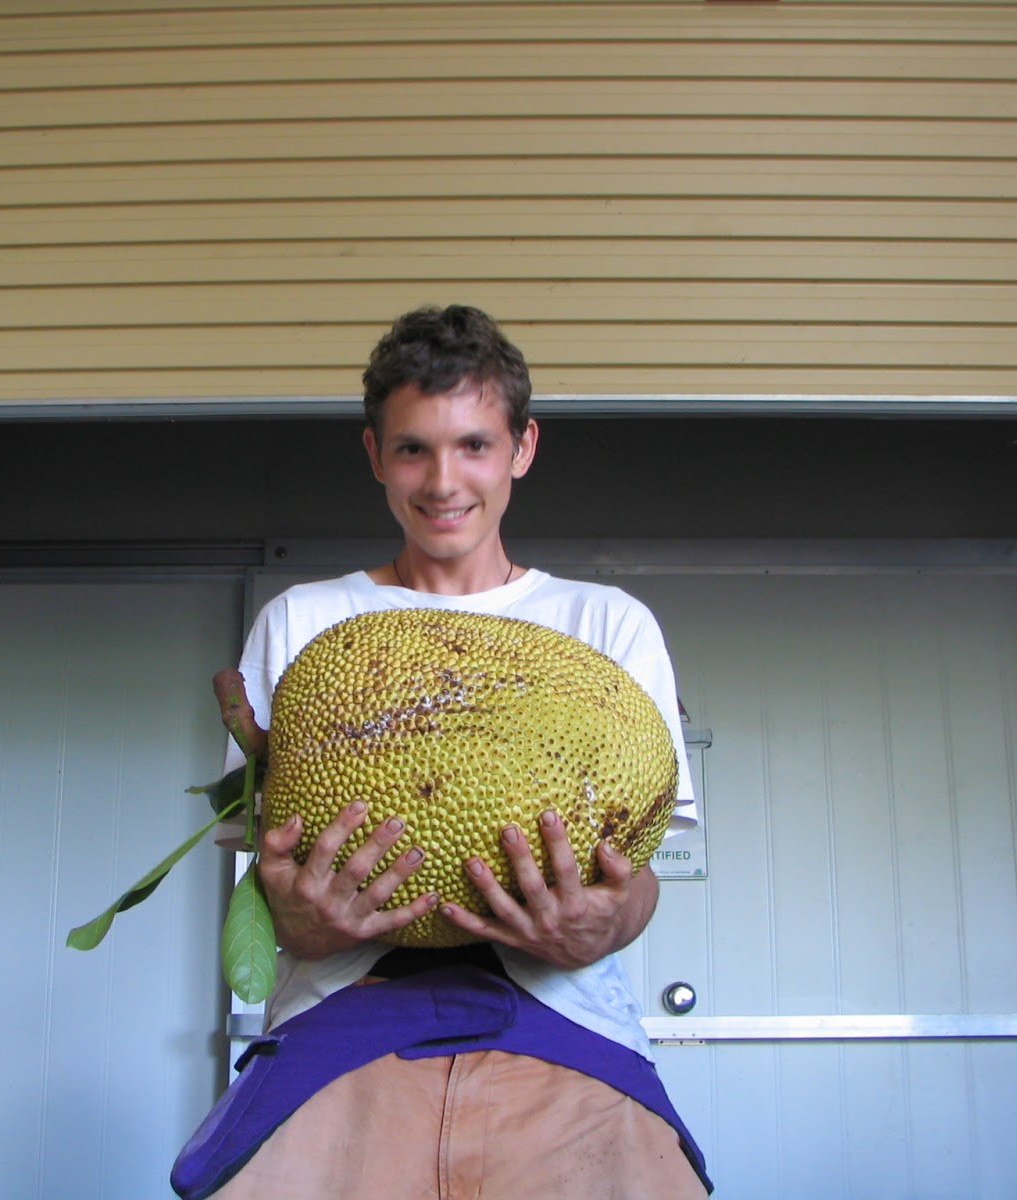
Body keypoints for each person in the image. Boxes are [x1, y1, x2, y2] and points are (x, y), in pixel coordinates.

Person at [173, 305, 711, 1198]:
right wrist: (303, 923)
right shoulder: (306, 622)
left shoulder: (607, 624)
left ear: (522, 448)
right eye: (414, 449)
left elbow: (640, 874)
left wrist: (601, 927)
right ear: (375, 456)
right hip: (341, 1025)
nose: (444, 480)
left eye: (474, 445)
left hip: (565, 1025)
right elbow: (269, 881)